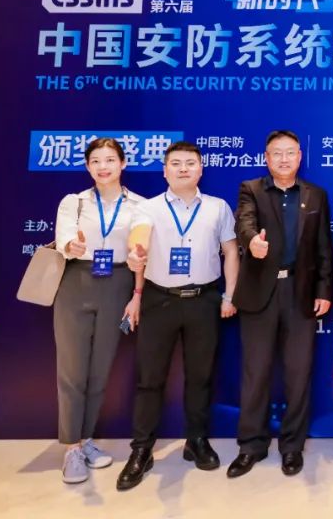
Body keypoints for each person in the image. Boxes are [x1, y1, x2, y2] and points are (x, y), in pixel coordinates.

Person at [117, 141, 239, 491]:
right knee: (150, 378)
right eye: (176, 163)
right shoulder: (148, 208)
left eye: (190, 163)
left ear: (201, 169)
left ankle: (196, 441)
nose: (183, 168)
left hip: (204, 300)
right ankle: (142, 450)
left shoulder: (217, 207)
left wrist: (229, 295)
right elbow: (139, 238)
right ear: (164, 170)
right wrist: (136, 254)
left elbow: (231, 252)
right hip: (160, 300)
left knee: (201, 376)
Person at [227, 130, 333, 478]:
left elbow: (322, 247)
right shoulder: (251, 189)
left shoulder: (315, 194)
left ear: (300, 156)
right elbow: (244, 222)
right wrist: (251, 242)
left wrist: (323, 290)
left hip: (300, 293)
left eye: (290, 153)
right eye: (277, 153)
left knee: (298, 374)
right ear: (266, 158)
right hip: (260, 291)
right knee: (255, 372)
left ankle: (292, 447)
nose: (284, 159)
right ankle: (251, 446)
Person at [52, 137, 144, 484]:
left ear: (123, 164)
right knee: (72, 370)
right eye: (95, 161)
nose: (103, 167)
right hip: (76, 283)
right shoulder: (73, 202)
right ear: (87, 166)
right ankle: (71, 448)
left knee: (100, 369)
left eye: (109, 160)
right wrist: (71, 245)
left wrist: (136, 289)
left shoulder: (140, 206)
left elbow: (141, 249)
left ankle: (86, 438)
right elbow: (64, 239)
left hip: (118, 284)